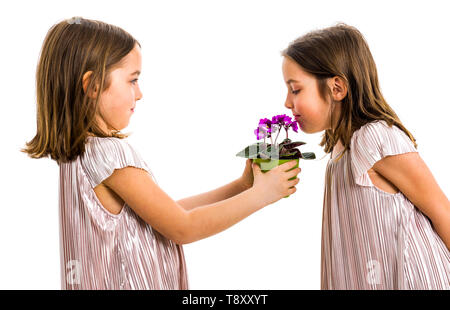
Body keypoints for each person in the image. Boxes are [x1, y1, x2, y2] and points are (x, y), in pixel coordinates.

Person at [22, 17, 301, 290]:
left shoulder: (81, 155)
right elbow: (183, 227)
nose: (140, 93)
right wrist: (262, 194)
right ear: (93, 85)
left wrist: (241, 187)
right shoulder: (110, 157)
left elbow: (165, 215)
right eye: (132, 80)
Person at [281, 23, 449, 290]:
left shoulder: (374, 138)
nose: (287, 102)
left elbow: (442, 211)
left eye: (296, 89)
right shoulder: (340, 149)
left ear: (337, 88)